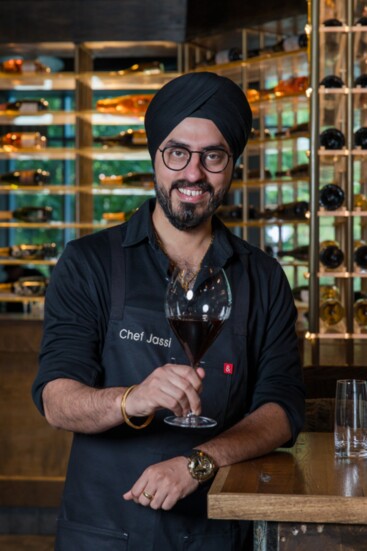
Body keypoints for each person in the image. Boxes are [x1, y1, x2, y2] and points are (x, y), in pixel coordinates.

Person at [32, 71, 305, 550]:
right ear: (156, 157)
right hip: (105, 532)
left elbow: (280, 408)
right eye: (177, 152)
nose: (193, 173)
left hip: (219, 532)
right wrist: (131, 399)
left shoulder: (263, 277)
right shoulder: (89, 262)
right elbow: (57, 399)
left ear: (232, 163)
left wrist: (198, 462)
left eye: (213, 156)